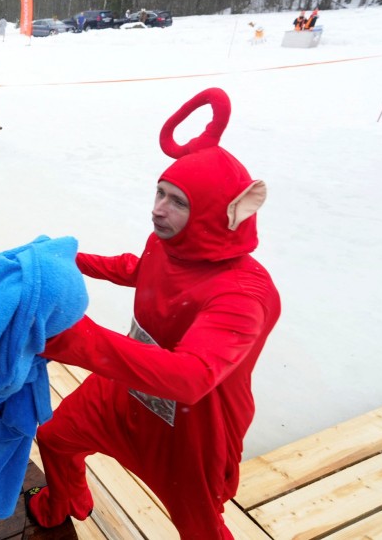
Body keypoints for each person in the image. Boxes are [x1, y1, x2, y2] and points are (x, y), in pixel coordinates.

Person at [24, 88, 281, 539]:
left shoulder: (244, 294)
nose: (157, 209)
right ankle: (66, 501)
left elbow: (192, 375)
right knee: (55, 437)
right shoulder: (168, 243)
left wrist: (74, 339)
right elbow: (141, 271)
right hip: (126, 390)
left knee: (199, 528)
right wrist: (72, 259)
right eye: (160, 192)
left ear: (218, 214)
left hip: (190, 429)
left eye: (178, 201)